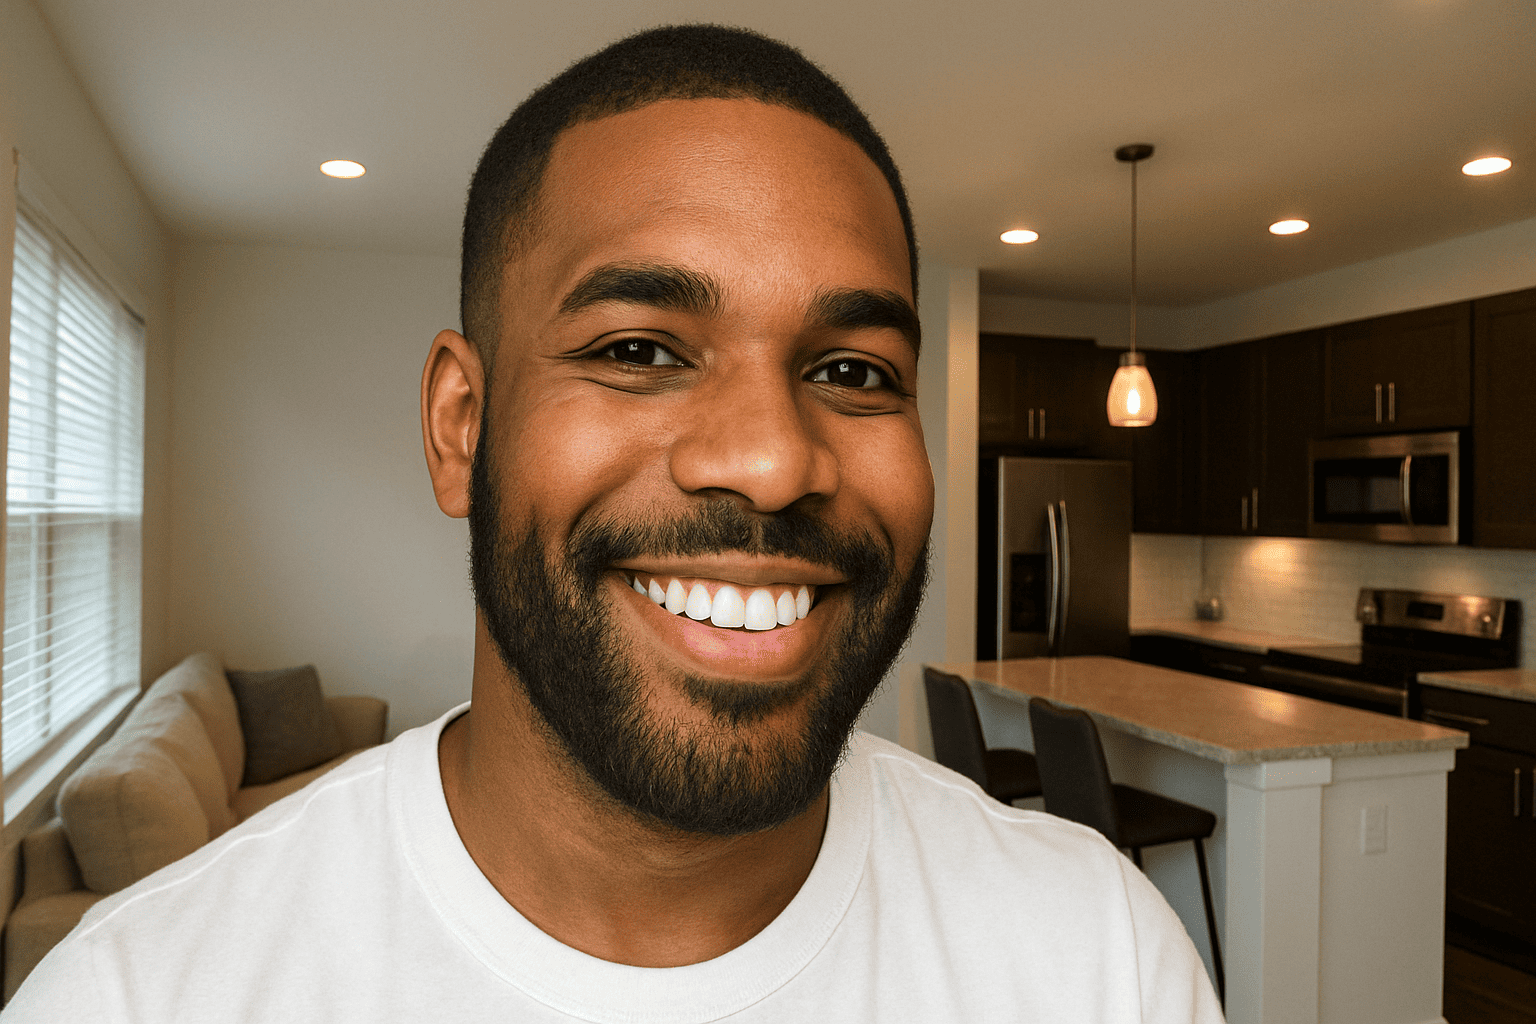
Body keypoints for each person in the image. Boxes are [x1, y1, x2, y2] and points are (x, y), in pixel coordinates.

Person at [6, 25, 1223, 1022]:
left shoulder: (1101, 963)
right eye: (637, 348)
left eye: (854, 372)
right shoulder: (136, 996)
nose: (768, 460)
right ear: (461, 426)